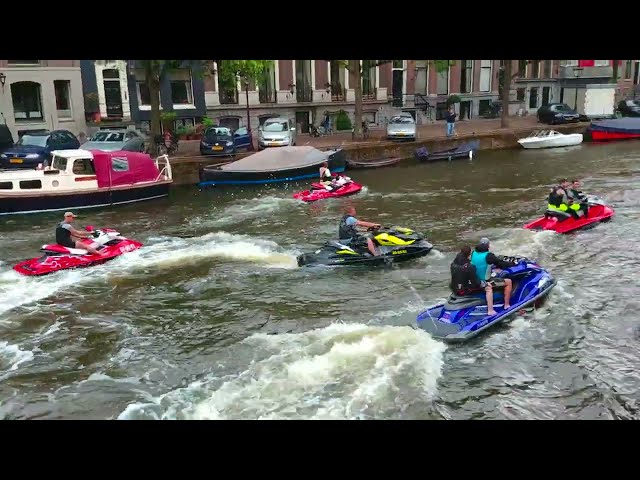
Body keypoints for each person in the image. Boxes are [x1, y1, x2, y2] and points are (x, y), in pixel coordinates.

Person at [470, 238, 515, 315]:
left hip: (475, 280)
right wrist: (513, 264)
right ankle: (507, 305)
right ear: (488, 246)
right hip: (485, 281)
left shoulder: (473, 253)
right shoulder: (489, 255)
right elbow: (500, 264)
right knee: (509, 282)